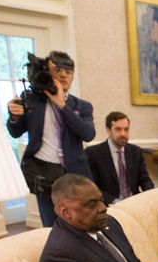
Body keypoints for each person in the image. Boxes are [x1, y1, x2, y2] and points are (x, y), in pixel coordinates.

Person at [6, 50, 95, 227]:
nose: (63, 74)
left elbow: (88, 134)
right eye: (57, 70)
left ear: (72, 76)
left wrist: (62, 105)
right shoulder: (31, 100)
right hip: (43, 173)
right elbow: (16, 132)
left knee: (80, 223)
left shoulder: (82, 106)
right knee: (51, 225)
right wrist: (14, 116)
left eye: (68, 71)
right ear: (48, 72)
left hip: (74, 173)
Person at [86, 111, 154, 205]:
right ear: (108, 130)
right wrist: (115, 202)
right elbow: (93, 187)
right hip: (110, 205)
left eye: (126, 129)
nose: (123, 134)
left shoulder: (136, 152)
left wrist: (151, 196)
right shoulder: (93, 153)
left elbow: (145, 180)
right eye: (118, 129)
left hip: (134, 202)